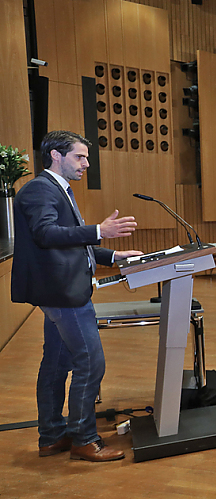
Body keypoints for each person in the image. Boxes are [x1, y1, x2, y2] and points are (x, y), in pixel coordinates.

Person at [11, 130, 142, 462]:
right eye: (80, 156)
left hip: (60, 290)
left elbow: (71, 241)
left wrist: (113, 255)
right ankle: (84, 439)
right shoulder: (40, 189)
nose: (86, 163)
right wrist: (100, 230)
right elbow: (46, 234)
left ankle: (52, 437)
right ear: (56, 155)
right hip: (62, 293)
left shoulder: (56, 189)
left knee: (57, 364)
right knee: (89, 362)